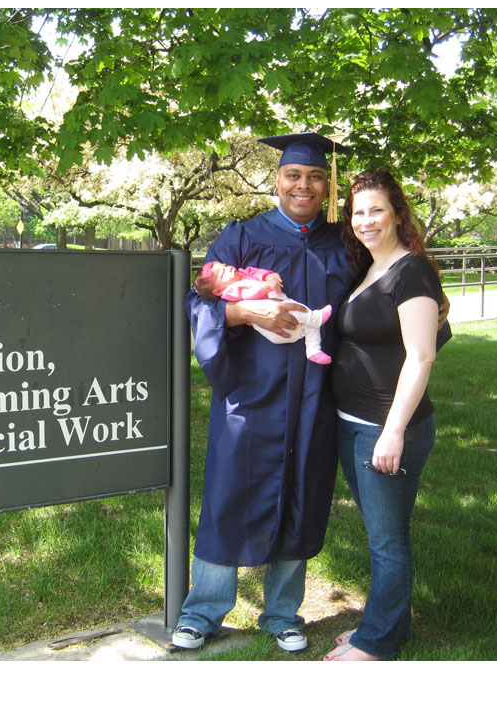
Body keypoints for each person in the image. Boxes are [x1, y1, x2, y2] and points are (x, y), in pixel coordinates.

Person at [172, 132, 354, 653]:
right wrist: (248, 311)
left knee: (302, 494)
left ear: (327, 185)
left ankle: (281, 614)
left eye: (316, 176)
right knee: (230, 495)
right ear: (277, 180)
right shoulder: (243, 236)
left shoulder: (343, 244)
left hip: (316, 396)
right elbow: (200, 301)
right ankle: (202, 612)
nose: (305, 185)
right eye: (294, 175)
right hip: (250, 396)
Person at [324, 168, 451, 661]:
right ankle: (386, 626)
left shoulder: (410, 270)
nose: (366, 220)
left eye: (376, 209)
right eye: (358, 212)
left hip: (385, 428)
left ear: (398, 214)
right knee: (383, 533)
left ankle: (375, 643)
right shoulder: (369, 269)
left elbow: (422, 356)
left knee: (387, 539)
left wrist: (393, 430)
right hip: (353, 424)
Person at [193, 261, 335, 364]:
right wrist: (264, 287)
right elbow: (248, 295)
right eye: (224, 273)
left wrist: (269, 277)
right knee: (302, 313)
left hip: (284, 318)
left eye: (225, 266)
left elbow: (256, 272)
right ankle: (316, 317)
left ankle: (313, 350)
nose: (229, 268)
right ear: (218, 291)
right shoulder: (230, 290)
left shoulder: (242, 273)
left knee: (310, 328)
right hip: (273, 325)